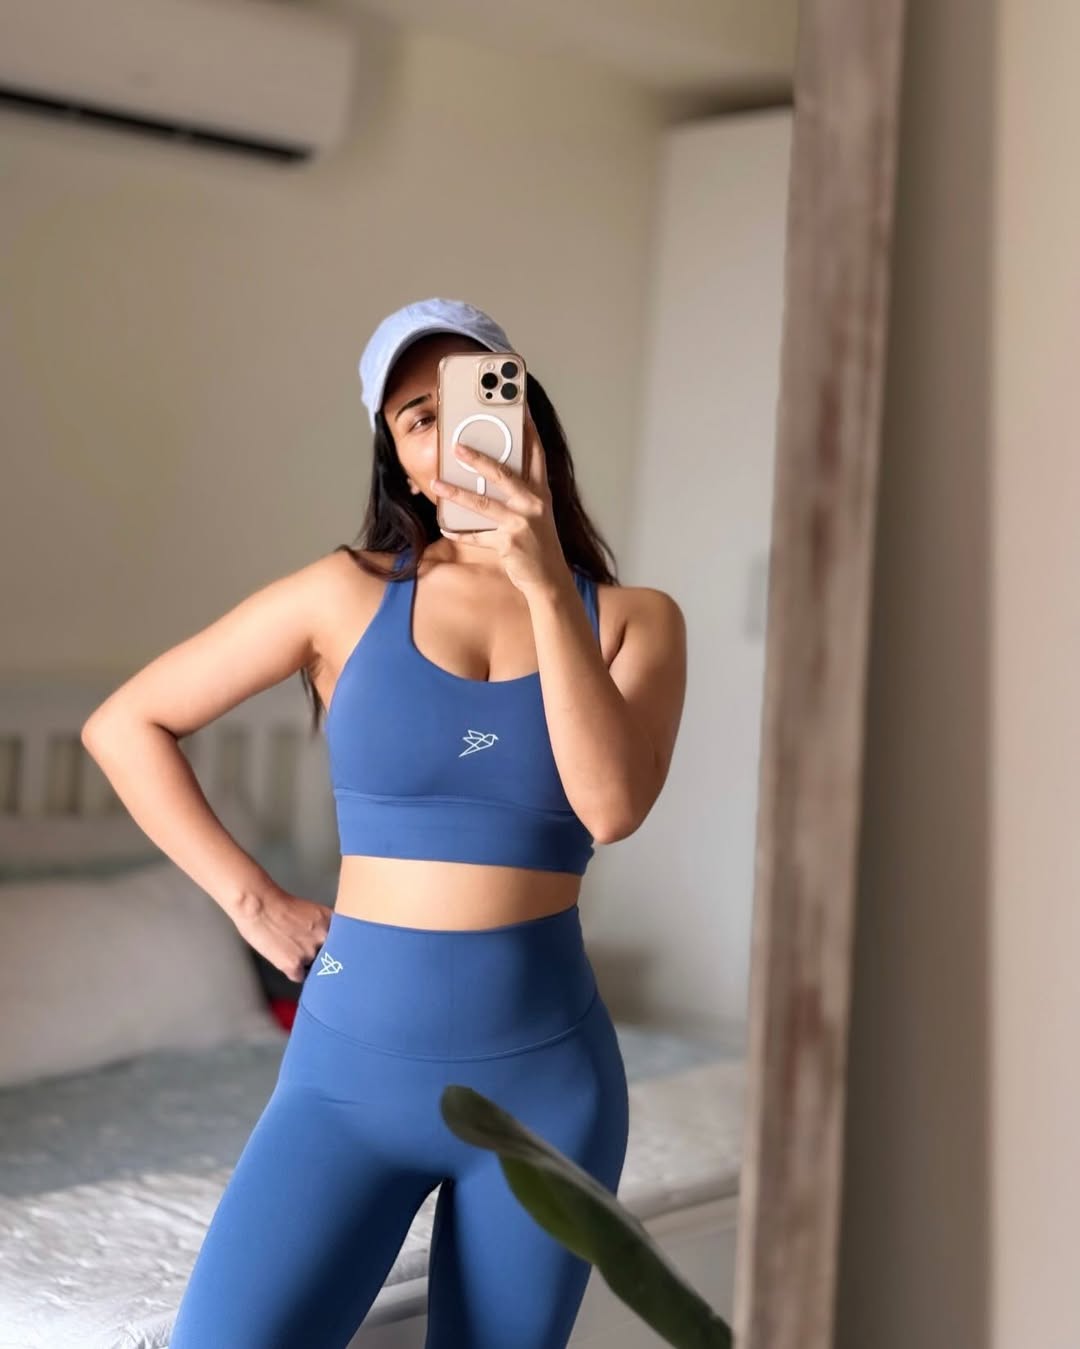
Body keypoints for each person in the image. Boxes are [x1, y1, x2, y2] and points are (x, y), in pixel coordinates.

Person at [82, 297, 687, 1348]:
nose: (449, 432)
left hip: (548, 1088)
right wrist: (253, 902)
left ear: (527, 417)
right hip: (345, 1080)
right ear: (399, 461)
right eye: (418, 415)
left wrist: (545, 580)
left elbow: (611, 805)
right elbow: (124, 724)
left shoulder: (635, 619)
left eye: (475, 397)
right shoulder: (341, 595)